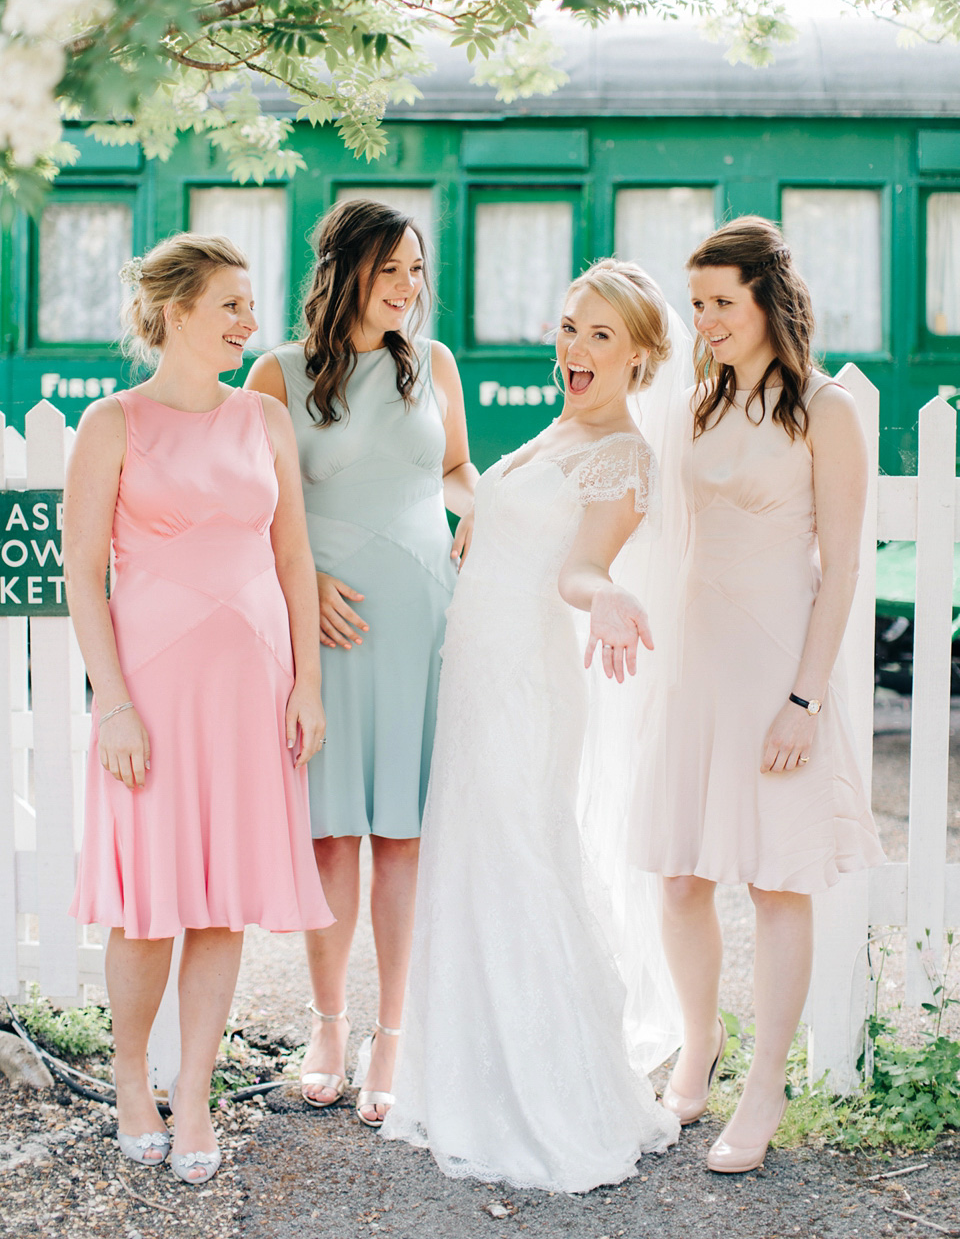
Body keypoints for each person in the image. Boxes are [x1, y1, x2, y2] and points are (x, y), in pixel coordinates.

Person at [382, 260, 686, 1193]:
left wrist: (608, 599)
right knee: (475, 859)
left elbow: (579, 567)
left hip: (525, 681)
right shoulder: (562, 427)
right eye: (568, 328)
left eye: (599, 335)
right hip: (477, 673)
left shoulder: (624, 455)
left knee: (521, 859)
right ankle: (473, 1077)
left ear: (640, 355)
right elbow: (500, 509)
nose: (574, 349)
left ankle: (553, 1097)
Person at [66, 234, 333, 1185]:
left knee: (219, 904)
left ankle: (195, 1096)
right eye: (229, 305)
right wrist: (114, 708)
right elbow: (83, 578)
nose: (248, 323)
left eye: (249, 305)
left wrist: (308, 682)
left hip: (251, 691)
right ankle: (131, 1079)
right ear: (176, 311)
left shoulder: (265, 419)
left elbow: (293, 558)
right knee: (148, 908)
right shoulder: (113, 423)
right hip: (154, 693)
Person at [632, 215, 885, 1173]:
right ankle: (700, 1045)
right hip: (699, 664)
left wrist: (805, 701)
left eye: (720, 304)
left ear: (769, 300)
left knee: (777, 881)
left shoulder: (826, 409)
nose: (705, 322)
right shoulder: (697, 402)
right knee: (681, 875)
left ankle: (767, 1083)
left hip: (780, 667)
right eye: (695, 306)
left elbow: (842, 567)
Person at [246, 197, 477, 1126]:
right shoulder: (278, 373)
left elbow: (456, 471)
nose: (409, 290)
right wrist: (304, 584)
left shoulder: (437, 367)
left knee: (407, 836)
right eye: (391, 272)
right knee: (333, 831)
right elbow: (253, 504)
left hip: (425, 617)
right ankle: (329, 1022)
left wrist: (488, 514)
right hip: (329, 630)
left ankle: (395, 1033)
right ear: (345, 271)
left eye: (416, 272)